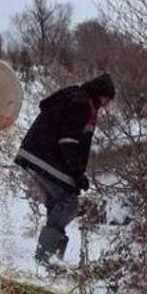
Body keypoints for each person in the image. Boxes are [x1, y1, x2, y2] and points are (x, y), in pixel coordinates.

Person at [14, 73, 116, 264]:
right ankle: (45, 257)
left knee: (57, 201)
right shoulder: (81, 104)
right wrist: (76, 173)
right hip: (45, 157)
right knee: (68, 202)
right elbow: (68, 141)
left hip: (36, 154)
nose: (106, 104)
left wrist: (76, 173)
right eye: (106, 99)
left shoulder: (76, 97)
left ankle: (51, 255)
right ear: (100, 93)